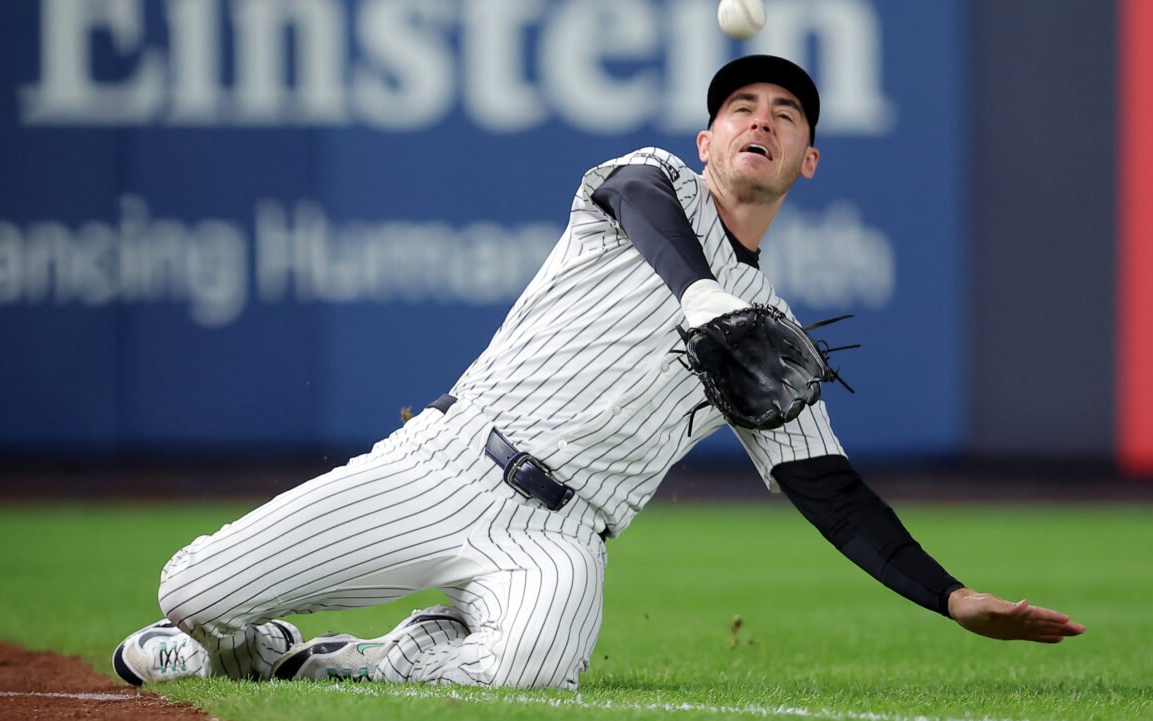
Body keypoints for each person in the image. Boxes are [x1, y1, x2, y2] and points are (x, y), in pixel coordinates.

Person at [112, 55, 1085, 690]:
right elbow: (638, 199)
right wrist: (703, 297)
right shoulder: (648, 182)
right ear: (707, 140)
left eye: (784, 114)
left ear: (806, 161)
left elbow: (822, 482)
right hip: (441, 464)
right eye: (739, 105)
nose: (760, 118)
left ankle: (372, 659)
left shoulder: (771, 336)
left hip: (560, 532)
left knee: (533, 671)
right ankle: (251, 646)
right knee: (192, 587)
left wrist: (950, 596)